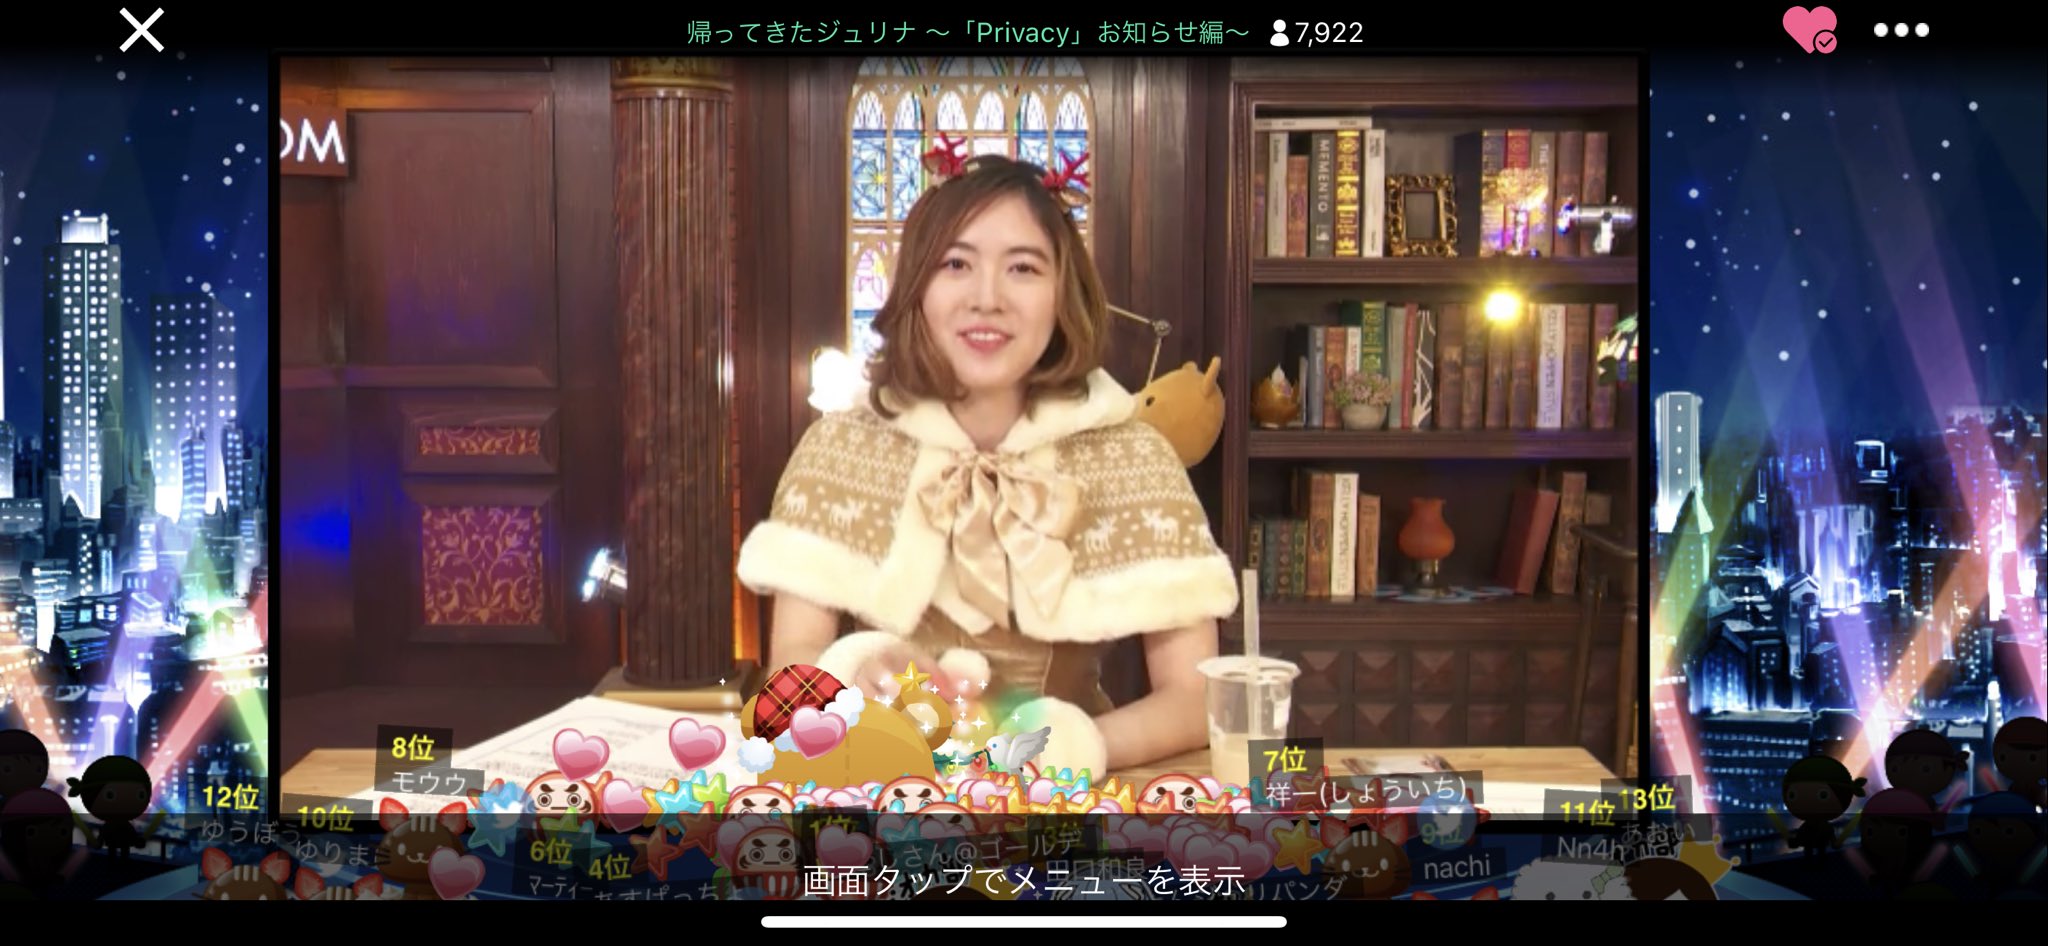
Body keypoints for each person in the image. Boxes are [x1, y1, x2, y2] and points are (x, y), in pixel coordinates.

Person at [736, 152, 1238, 777]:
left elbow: (1197, 697)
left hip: (1064, 793)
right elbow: (790, 673)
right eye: (956, 264)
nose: (987, 298)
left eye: (1023, 268)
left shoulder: (1133, 457)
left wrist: (1068, 747)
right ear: (917, 287)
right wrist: (852, 674)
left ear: (1063, 292)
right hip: (889, 786)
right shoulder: (839, 450)